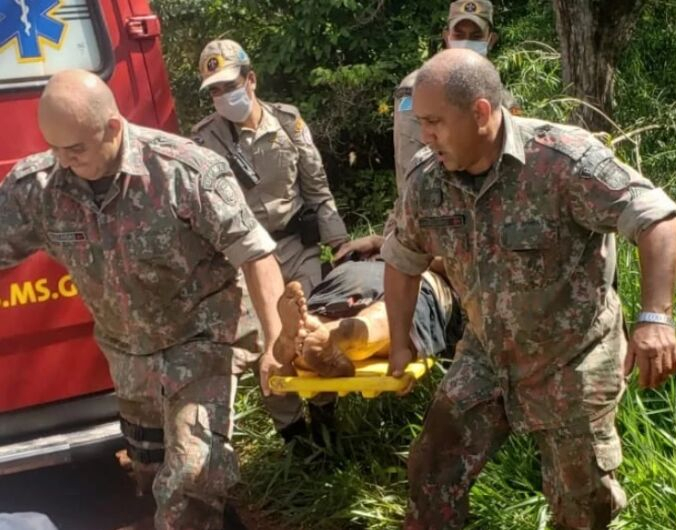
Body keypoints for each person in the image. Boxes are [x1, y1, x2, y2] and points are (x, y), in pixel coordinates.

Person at [380, 49, 676, 530]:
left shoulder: (562, 161)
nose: (425, 134)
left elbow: (658, 218)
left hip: (574, 355)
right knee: (432, 468)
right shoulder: (427, 180)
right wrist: (400, 342)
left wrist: (656, 318)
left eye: (435, 121)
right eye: (421, 122)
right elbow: (401, 261)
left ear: (480, 112)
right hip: (487, 351)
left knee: (581, 502)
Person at [0, 70, 285, 530]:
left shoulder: (183, 171)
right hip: (129, 358)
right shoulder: (40, 187)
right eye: (54, 149)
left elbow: (256, 254)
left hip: (201, 340)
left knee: (190, 477)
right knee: (157, 478)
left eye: (76, 150)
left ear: (112, 128)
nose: (64, 162)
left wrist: (276, 342)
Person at [191, 39, 350, 445]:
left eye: (230, 85)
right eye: (214, 90)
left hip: (298, 246)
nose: (223, 96)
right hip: (247, 260)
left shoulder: (288, 122)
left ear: (251, 79)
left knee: (314, 331)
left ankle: (327, 422)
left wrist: (341, 245)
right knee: (271, 342)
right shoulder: (203, 141)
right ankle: (294, 438)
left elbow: (317, 188)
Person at [335, 0, 519, 262]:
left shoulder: (503, 98)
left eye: (476, 36)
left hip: (491, 227)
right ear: (446, 37)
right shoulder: (419, 89)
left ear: (491, 39)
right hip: (434, 228)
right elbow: (412, 172)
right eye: (459, 34)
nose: (466, 42)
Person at [271, 260, 460, 378]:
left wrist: (382, 243)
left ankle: (302, 337)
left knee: (313, 328)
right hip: (415, 277)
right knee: (387, 315)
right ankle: (345, 333)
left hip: (352, 271)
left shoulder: (400, 225)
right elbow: (451, 262)